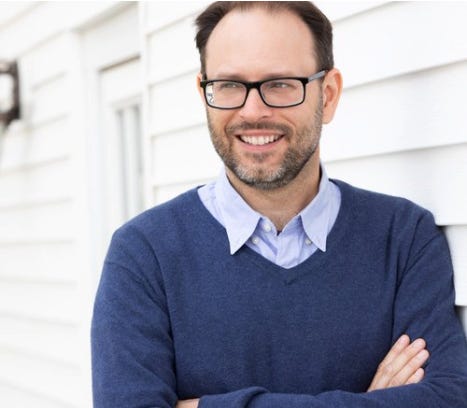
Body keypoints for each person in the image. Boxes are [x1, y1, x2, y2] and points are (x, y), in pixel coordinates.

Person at [91, 2, 467, 407]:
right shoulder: (144, 254)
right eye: (230, 85)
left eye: (280, 84)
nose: (253, 111)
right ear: (204, 94)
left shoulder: (404, 238)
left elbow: (447, 398)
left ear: (328, 94)